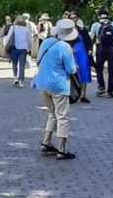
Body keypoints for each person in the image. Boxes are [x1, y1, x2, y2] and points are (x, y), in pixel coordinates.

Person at [33, 18, 79, 160]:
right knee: (62, 116)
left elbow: (38, 60)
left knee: (51, 114)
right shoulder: (65, 47)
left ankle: (46, 142)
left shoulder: (46, 42)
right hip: (58, 85)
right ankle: (62, 148)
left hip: (43, 83)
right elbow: (71, 70)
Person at [90, 9, 113, 98]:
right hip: (112, 48)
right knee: (112, 70)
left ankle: (101, 87)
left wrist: (91, 50)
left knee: (99, 69)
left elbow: (92, 38)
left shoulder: (95, 25)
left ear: (98, 16)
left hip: (100, 48)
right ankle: (110, 91)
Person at [68, 12, 93, 104]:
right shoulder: (66, 30)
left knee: (84, 73)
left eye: (75, 17)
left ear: (77, 18)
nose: (73, 19)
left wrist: (90, 49)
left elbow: (89, 40)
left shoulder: (82, 29)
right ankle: (72, 94)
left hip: (82, 53)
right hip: (71, 53)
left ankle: (83, 95)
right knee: (71, 73)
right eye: (71, 18)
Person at [5, 15, 32, 87]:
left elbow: (8, 37)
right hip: (23, 49)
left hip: (14, 48)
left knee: (14, 64)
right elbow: (29, 40)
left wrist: (6, 46)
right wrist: (30, 48)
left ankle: (15, 78)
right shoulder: (26, 29)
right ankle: (21, 81)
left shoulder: (13, 28)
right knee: (22, 65)